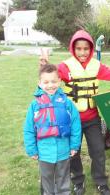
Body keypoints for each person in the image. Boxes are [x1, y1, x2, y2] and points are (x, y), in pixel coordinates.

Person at [40, 30, 110, 195]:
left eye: (86, 48)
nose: (83, 52)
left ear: (91, 49)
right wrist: (43, 65)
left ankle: (101, 181)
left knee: (98, 151)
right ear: (73, 48)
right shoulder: (64, 67)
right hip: (70, 120)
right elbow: (47, 82)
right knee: (73, 152)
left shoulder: (96, 66)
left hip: (92, 118)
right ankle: (78, 181)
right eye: (79, 48)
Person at [23, 64, 82, 194]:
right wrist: (31, 149)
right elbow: (28, 129)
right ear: (40, 83)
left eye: (54, 81)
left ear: (60, 81)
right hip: (44, 153)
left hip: (63, 151)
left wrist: (74, 146)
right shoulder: (35, 105)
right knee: (46, 181)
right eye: (46, 82)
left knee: (63, 180)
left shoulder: (67, 103)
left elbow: (76, 126)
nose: (50, 85)